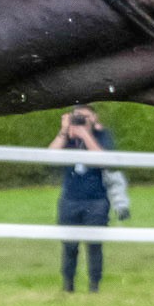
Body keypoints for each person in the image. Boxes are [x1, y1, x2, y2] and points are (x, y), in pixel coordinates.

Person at [50, 105, 130, 293]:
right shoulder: (67, 138)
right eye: (77, 117)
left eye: (85, 117)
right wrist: (64, 131)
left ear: (94, 118)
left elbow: (105, 161)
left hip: (96, 200)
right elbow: (49, 156)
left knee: (94, 245)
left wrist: (86, 134)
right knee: (69, 245)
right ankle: (68, 285)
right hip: (70, 198)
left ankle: (94, 285)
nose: (81, 121)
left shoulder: (102, 135)